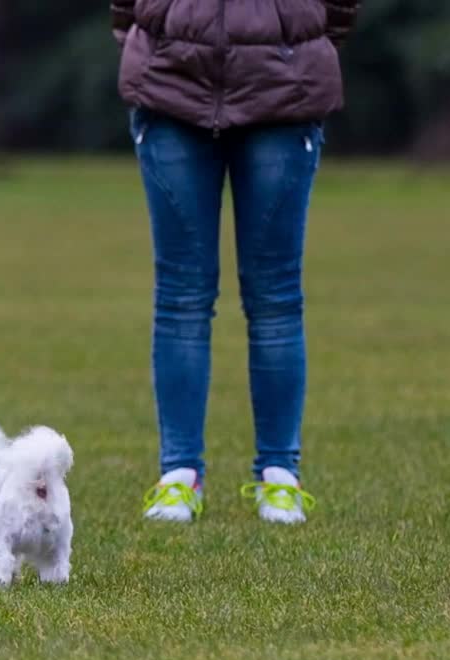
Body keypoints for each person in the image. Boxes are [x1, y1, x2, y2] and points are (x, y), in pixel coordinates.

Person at [111, 0, 361, 523]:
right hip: (171, 87)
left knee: (275, 299)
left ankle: (279, 476)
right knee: (181, 297)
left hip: (283, 90)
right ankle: (179, 476)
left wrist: (297, 35)